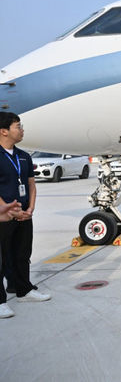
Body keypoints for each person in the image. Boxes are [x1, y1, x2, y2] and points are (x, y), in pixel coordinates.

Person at [0, 112, 51, 320]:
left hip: (24, 215)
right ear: (4, 131)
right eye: (18, 126)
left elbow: (31, 184)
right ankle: (0, 302)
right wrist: (5, 208)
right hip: (3, 216)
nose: (22, 130)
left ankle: (24, 290)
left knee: (22, 254)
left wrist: (31, 209)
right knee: (1, 259)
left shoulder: (24, 156)